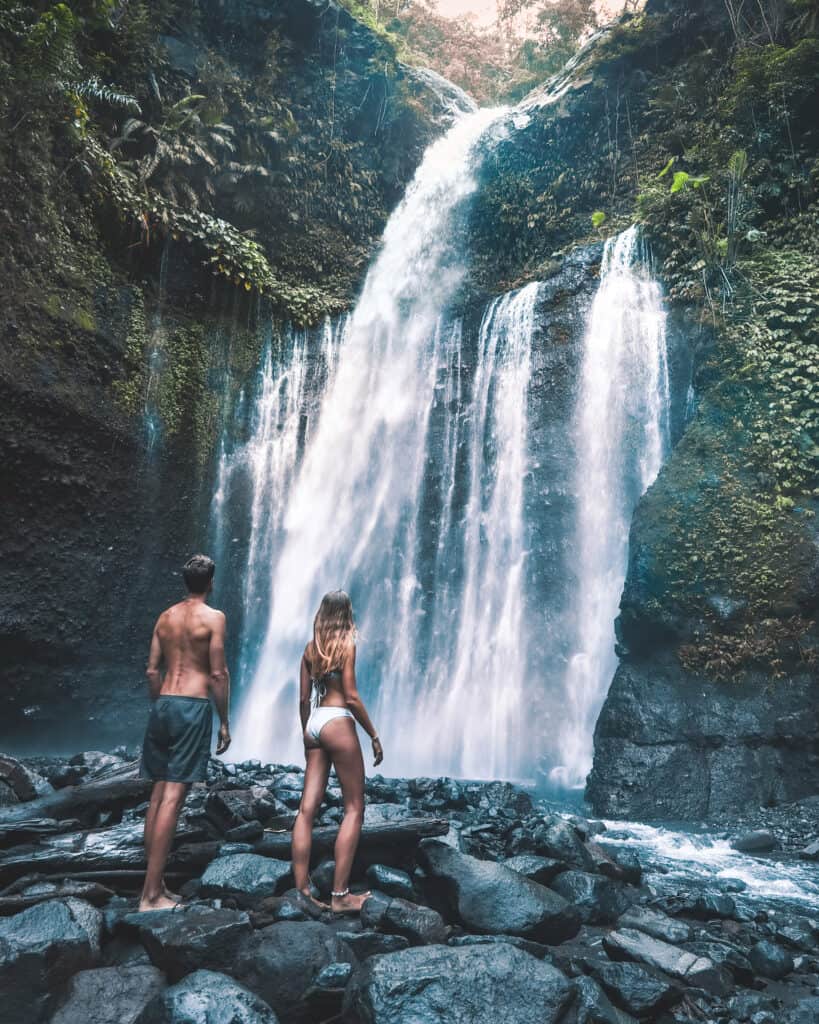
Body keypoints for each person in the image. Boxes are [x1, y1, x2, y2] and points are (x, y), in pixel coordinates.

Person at [138, 554, 231, 911]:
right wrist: (223, 720)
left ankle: (155, 884)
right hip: (192, 706)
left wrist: (160, 704)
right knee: (174, 800)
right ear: (210, 583)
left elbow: (151, 671)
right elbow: (218, 673)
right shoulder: (214, 618)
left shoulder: (165, 617)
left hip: (162, 704)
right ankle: (150, 896)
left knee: (159, 795)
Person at [291, 591, 383, 913]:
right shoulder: (346, 645)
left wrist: (307, 734)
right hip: (338, 720)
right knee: (354, 808)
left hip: (315, 721)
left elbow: (303, 699)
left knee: (306, 810)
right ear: (345, 615)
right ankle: (340, 896)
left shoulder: (309, 648)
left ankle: (301, 890)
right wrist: (373, 734)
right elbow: (353, 697)